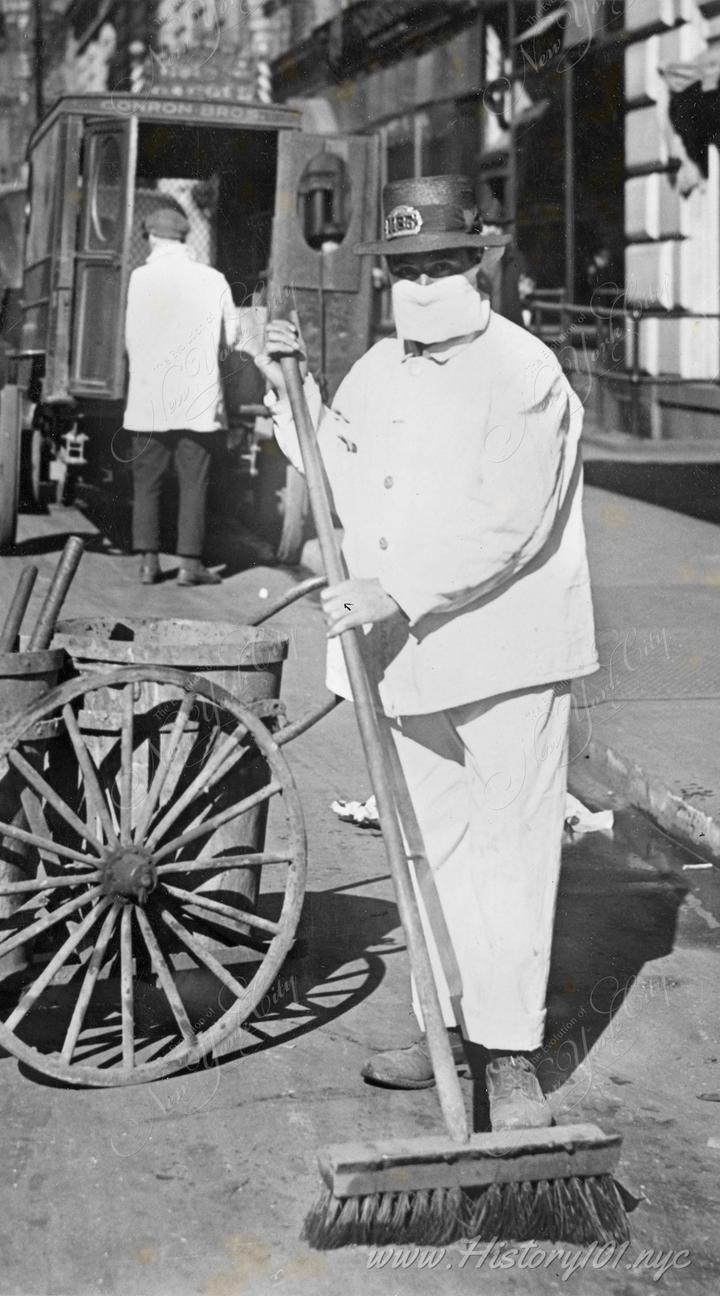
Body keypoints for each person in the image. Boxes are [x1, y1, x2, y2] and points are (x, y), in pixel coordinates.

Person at [257, 174, 599, 1132]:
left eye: (442, 262)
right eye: (406, 266)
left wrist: (396, 587)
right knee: (426, 852)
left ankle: (512, 1054)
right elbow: (335, 467)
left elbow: (511, 522)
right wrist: (291, 388)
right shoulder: (377, 369)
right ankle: (445, 1033)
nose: (424, 279)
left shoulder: (524, 372)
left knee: (511, 856)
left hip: (508, 655)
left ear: (476, 266)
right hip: (404, 656)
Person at [123, 204, 240, 586]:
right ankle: (190, 566)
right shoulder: (213, 278)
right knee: (194, 481)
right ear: (185, 238)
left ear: (152, 239)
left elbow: (130, 341)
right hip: (197, 398)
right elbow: (234, 337)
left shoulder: (140, 278)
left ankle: (147, 562)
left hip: (149, 398)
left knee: (147, 480)